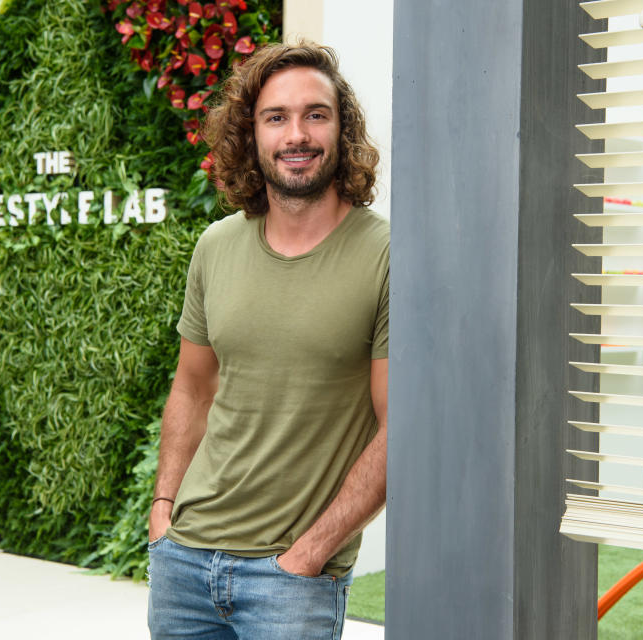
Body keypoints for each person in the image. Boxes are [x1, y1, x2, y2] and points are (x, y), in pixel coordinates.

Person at [147, 41, 389, 640]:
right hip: (183, 564)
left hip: (293, 579)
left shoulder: (387, 255)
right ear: (250, 135)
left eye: (316, 114)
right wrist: (162, 514)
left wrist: (311, 553)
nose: (296, 134)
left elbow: (402, 426)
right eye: (275, 117)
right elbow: (193, 388)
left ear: (342, 128)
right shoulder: (216, 246)